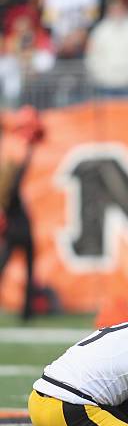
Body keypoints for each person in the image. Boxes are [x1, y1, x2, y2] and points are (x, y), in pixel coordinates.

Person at [0, 105, 44, 320]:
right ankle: (27, 312)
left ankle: (27, 311)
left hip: (17, 222)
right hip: (19, 223)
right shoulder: (11, 159)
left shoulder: (10, 158)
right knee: (23, 267)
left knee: (15, 266)